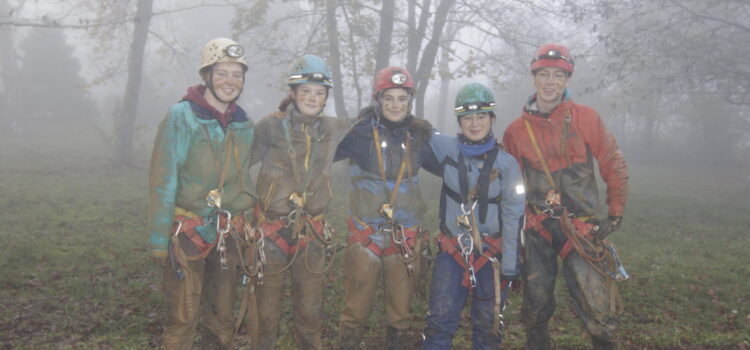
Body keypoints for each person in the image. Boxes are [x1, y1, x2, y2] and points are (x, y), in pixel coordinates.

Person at [502, 43, 629, 350]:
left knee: (598, 308)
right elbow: (507, 186)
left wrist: (615, 212)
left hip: (581, 229)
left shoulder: (587, 119)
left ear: (567, 80)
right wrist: (509, 234)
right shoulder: (516, 132)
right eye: (543, 74)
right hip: (537, 229)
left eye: (558, 75)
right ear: (534, 78)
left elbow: (612, 162)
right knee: (536, 306)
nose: (550, 82)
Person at [147, 37, 255, 350]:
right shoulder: (181, 117)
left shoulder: (244, 124)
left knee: (222, 320)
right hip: (187, 235)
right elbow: (163, 178)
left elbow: (242, 178)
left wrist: (247, 216)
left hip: (228, 235)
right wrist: (157, 240)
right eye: (222, 73)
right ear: (206, 75)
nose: (230, 81)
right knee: (182, 317)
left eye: (237, 75)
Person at [247, 54, 357, 350]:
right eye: (305, 91)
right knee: (265, 315)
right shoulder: (270, 127)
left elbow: (372, 124)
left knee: (309, 315)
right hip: (271, 234)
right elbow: (238, 164)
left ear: (326, 98)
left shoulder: (332, 129)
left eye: (319, 93)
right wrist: (245, 212)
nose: (312, 97)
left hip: (312, 235)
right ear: (293, 94)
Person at [335, 66, 434, 349]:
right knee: (356, 307)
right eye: (388, 98)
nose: (395, 105)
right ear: (378, 100)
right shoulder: (359, 134)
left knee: (401, 309)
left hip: (404, 235)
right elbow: (319, 148)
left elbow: (453, 159)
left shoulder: (419, 137)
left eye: (402, 99)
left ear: (409, 101)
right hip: (365, 234)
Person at [421, 83, 526, 349]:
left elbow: (515, 215)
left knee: (488, 327)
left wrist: (511, 266)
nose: (474, 123)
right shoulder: (444, 147)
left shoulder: (508, 165)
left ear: (492, 119)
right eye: (467, 117)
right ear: (459, 121)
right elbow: (415, 133)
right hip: (452, 252)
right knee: (439, 322)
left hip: (491, 257)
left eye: (481, 116)